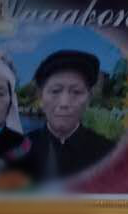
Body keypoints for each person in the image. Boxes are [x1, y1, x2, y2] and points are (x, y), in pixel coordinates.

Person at [15, 48, 115, 184]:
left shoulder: (109, 153)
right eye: (55, 91)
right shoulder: (19, 152)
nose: (64, 103)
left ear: (89, 98)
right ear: (40, 97)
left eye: (76, 92)